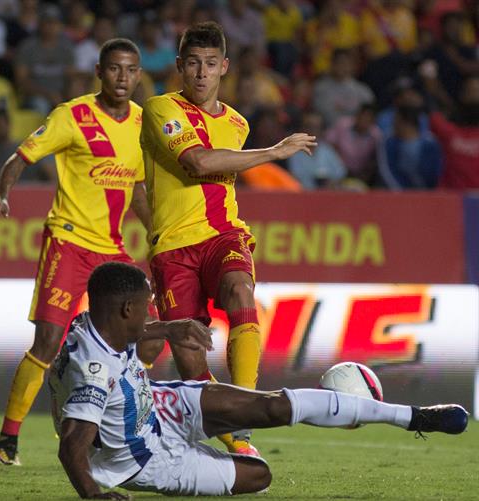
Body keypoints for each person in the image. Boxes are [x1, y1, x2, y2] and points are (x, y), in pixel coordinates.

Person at [52, 261, 469, 499]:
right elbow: (72, 445)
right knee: (259, 475)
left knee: (269, 404)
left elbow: (123, 333)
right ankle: (210, 452)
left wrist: (166, 328)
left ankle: (413, 417)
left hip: (159, 404)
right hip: (147, 459)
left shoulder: (98, 322)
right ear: (126, 308)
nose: (150, 313)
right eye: (145, 308)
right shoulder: (92, 371)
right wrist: (95, 495)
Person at [0, 38, 186, 466]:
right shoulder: (72, 116)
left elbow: (136, 192)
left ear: (139, 75)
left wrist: (159, 234)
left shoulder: (142, 124)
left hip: (112, 251)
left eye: (132, 70)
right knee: (47, 340)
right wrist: (2, 195)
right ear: (99, 71)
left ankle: (127, 425)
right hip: (69, 241)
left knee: (149, 338)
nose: (124, 78)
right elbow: (19, 158)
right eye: (115, 69)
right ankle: (8, 439)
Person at [139, 21, 317, 456]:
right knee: (189, 356)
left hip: (223, 234)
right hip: (173, 247)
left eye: (211, 64)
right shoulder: (161, 109)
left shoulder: (236, 123)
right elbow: (198, 162)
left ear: (225, 68)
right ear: (180, 66)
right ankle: (237, 438)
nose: (201, 73)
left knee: (241, 290)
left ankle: (248, 409)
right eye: (194, 64)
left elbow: (222, 169)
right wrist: (274, 152)